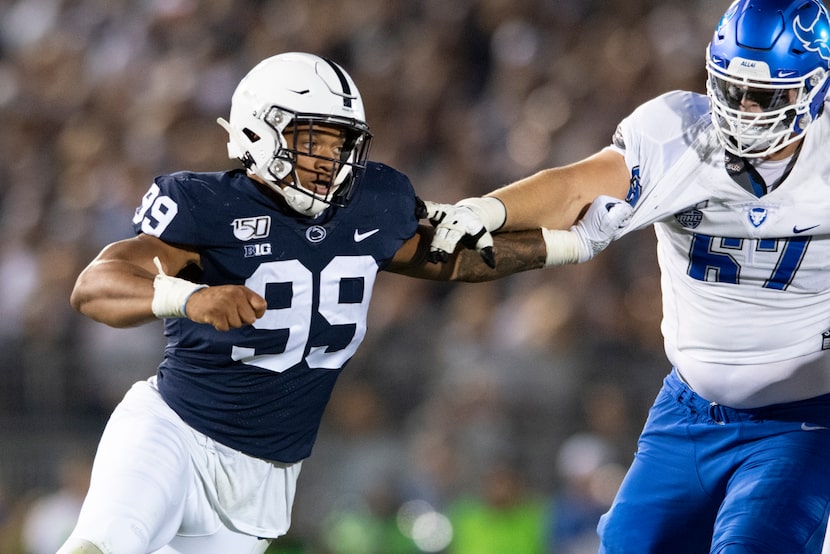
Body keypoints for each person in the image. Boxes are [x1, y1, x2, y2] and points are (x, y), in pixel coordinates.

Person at [58, 52, 629, 554]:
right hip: (172, 430)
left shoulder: (369, 202)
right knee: (103, 545)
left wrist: (569, 245)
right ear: (260, 131)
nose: (330, 158)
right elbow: (96, 284)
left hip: (263, 472)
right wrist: (188, 296)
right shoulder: (204, 203)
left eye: (340, 142)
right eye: (313, 139)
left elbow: (453, 256)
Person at [428, 0, 830, 552]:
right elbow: (575, 184)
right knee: (624, 544)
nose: (745, 109)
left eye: (766, 94)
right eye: (733, 88)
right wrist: (486, 210)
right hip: (688, 410)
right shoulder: (682, 132)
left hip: (802, 421)